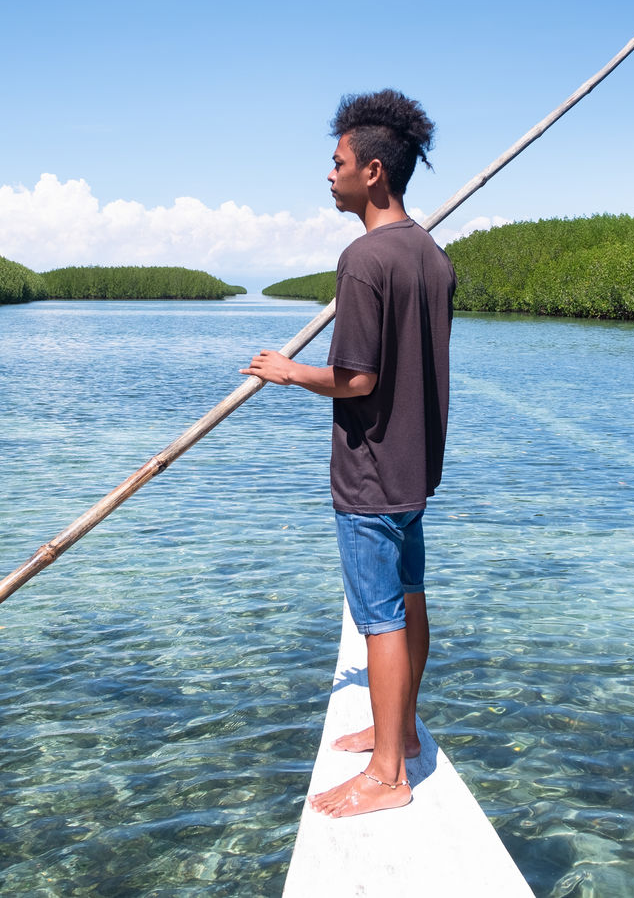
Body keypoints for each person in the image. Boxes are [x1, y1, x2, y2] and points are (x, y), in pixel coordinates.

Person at [241, 89, 454, 818]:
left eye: (337, 162)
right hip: (415, 469)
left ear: (373, 172)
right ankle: (399, 733)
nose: (328, 174)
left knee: (381, 617)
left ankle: (388, 775)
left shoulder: (363, 258)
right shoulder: (432, 255)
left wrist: (287, 371)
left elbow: (358, 378)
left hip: (370, 471)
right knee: (411, 595)